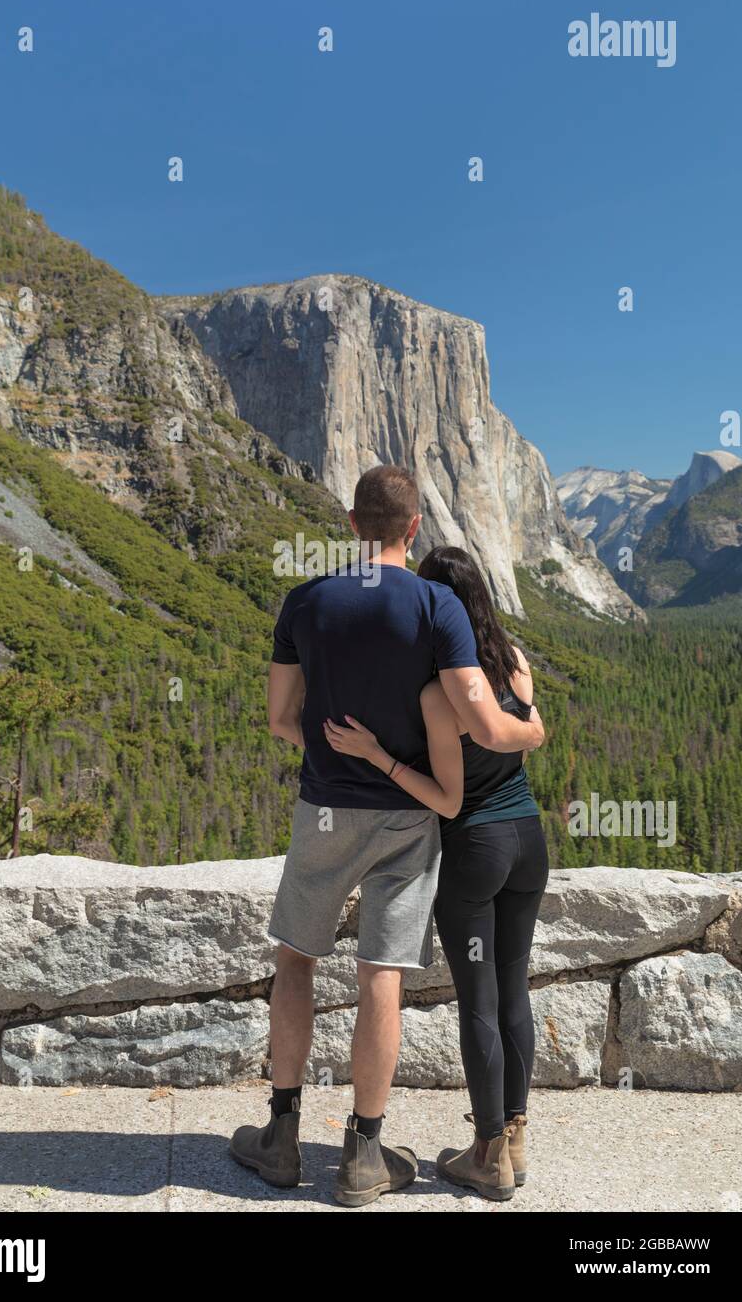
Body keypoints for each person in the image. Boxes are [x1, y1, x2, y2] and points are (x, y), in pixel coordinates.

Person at [229, 467, 545, 1207]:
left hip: (326, 810)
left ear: (348, 522)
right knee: (382, 975)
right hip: (409, 816)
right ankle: (365, 1153)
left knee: (295, 961)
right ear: (413, 529)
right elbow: (478, 717)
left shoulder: (304, 602)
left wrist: (332, 741)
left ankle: (279, 1135)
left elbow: (280, 718)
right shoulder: (438, 606)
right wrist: (531, 728)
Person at [323, 544, 548, 1202]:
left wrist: (376, 754)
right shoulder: (515, 664)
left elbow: (447, 799)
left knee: (478, 1001)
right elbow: (529, 731)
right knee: (512, 992)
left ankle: (486, 1155)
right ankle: (515, 1140)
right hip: (528, 843)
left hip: (474, 851)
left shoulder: (437, 692)